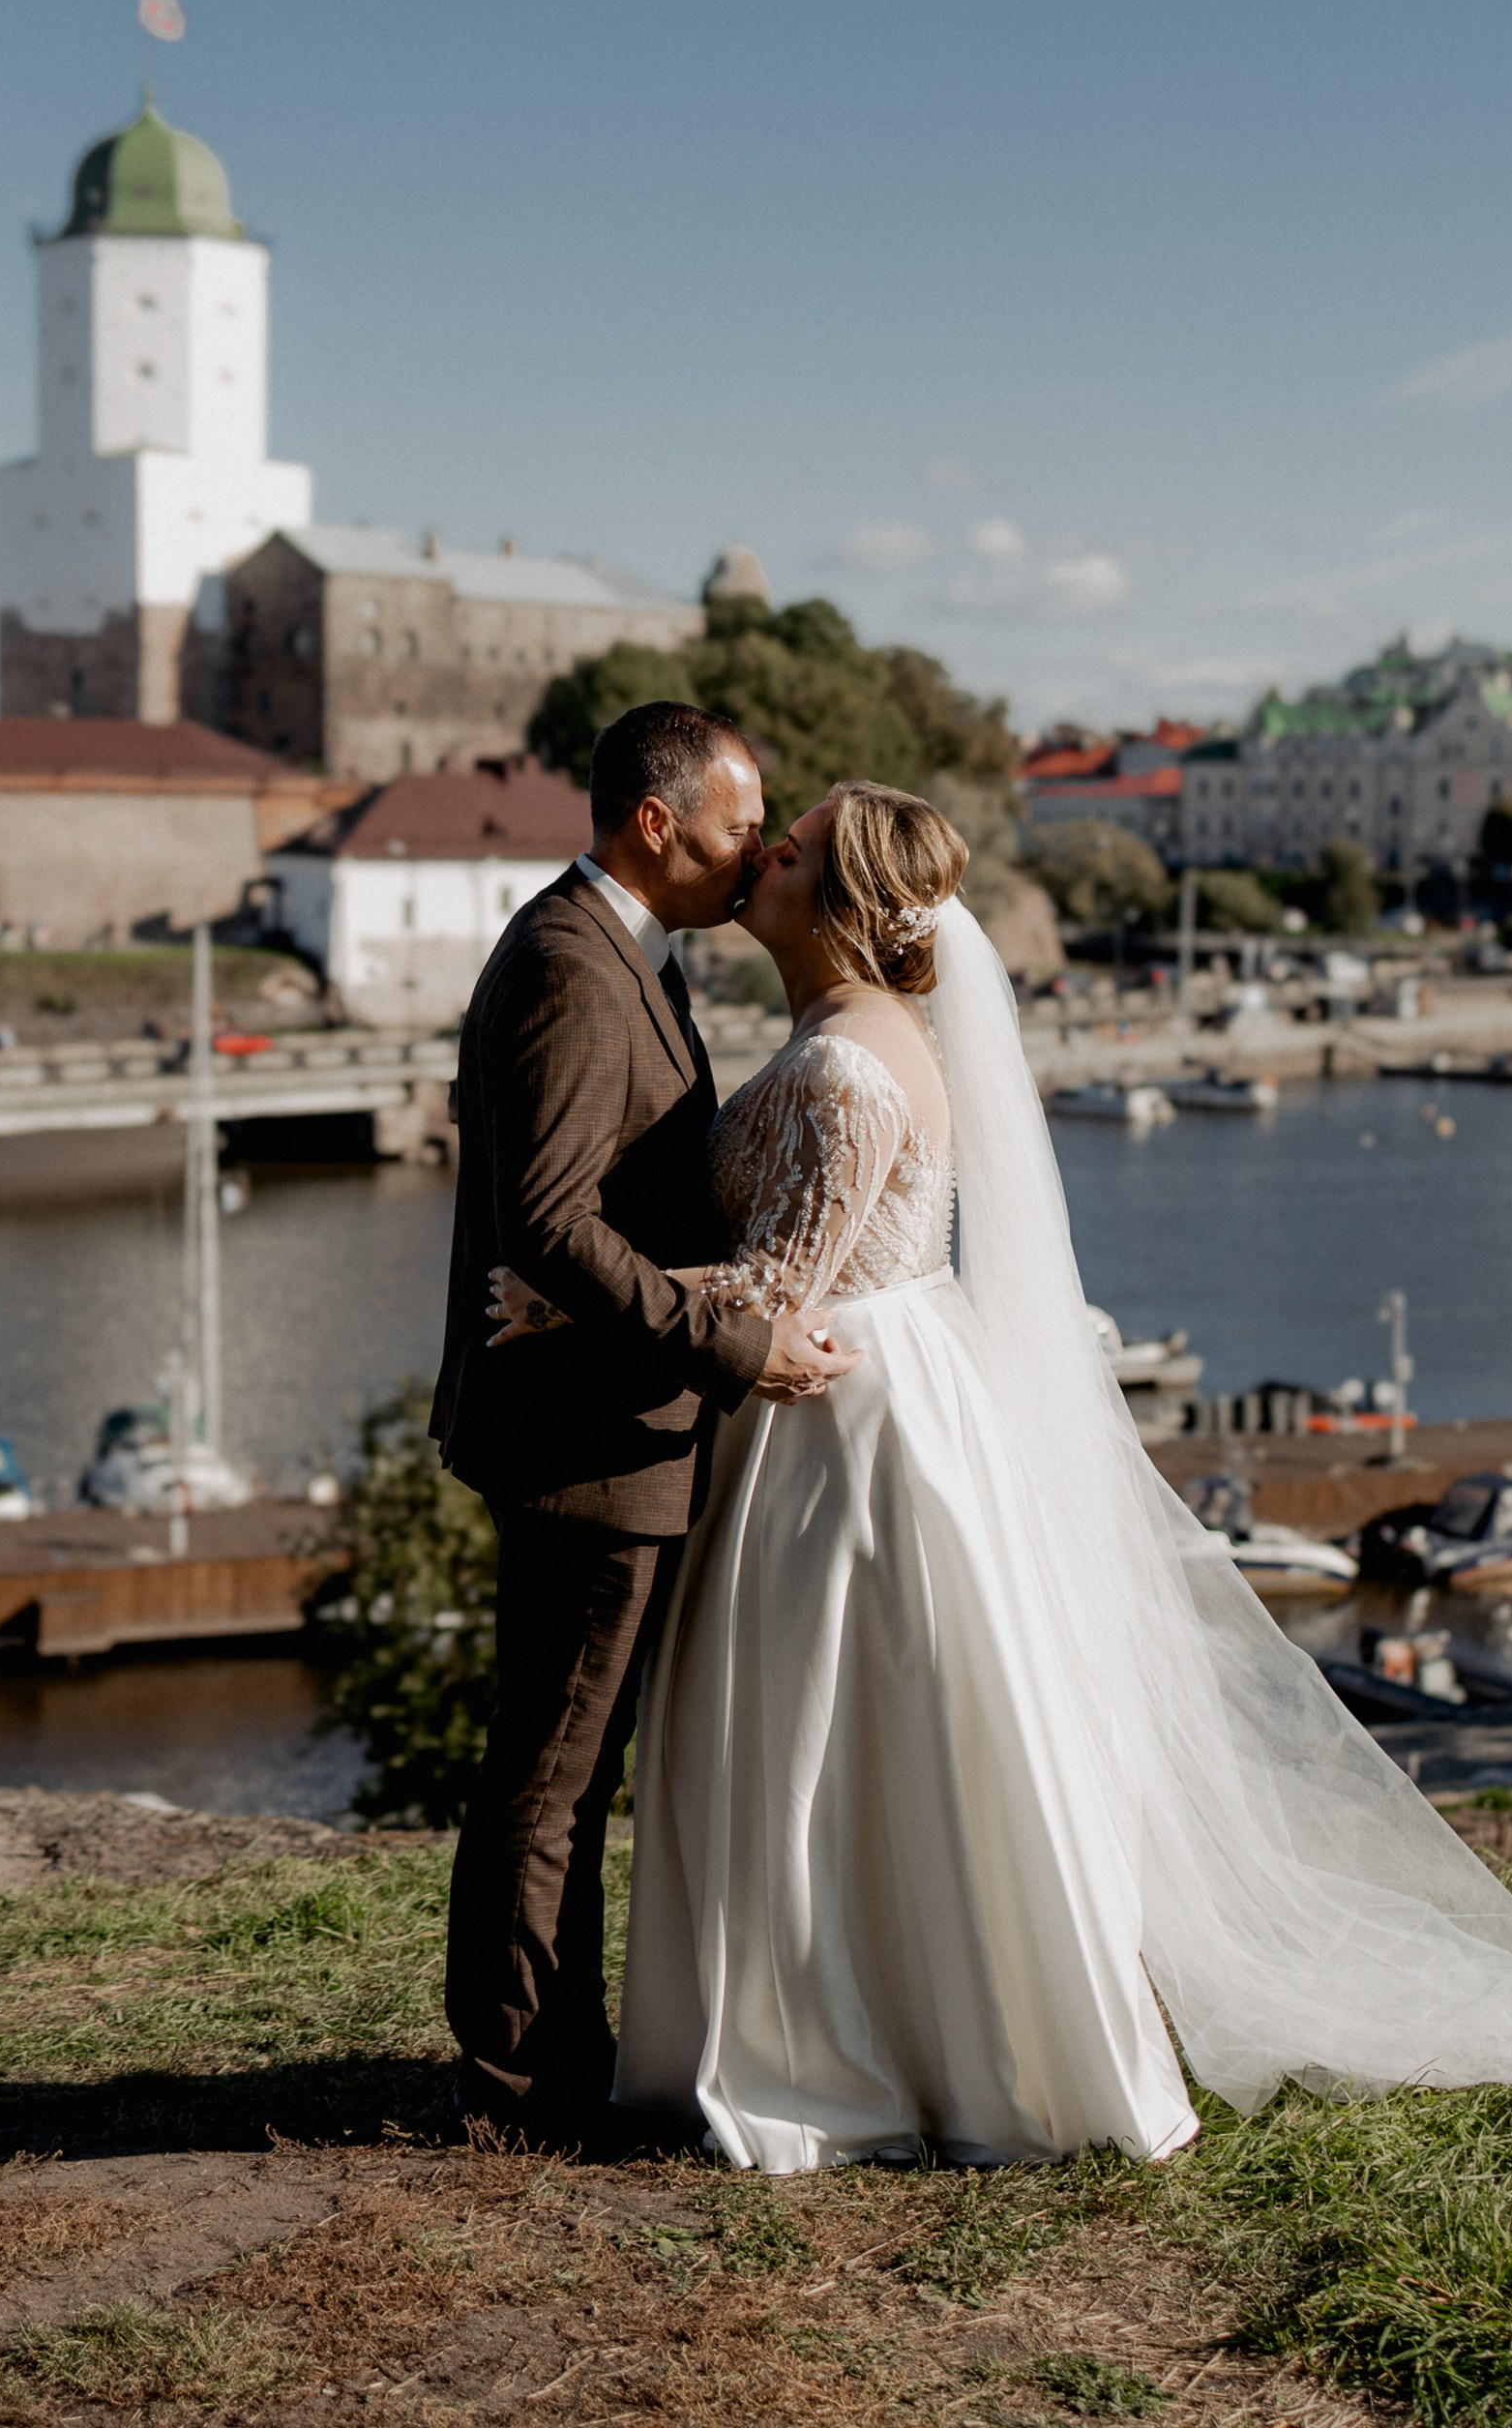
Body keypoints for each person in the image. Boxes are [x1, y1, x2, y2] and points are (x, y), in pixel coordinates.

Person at [495, 779, 1512, 2171]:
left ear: (841, 901)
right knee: (857, 1732)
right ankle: (861, 2023)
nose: (764, 857)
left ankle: (840, 2044)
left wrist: (560, 1301)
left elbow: (782, 1288)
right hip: (850, 1400)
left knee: (828, 1722)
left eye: (795, 846)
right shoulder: (840, 1031)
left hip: (848, 1425)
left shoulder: (847, 1064)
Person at [433, 701, 856, 2145]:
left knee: (569, 1766)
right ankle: (517, 2092)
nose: (759, 850)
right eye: (744, 824)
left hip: (608, 1425)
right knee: (550, 1777)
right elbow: (548, 1224)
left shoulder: (623, 951)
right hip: (584, 1442)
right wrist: (732, 1337)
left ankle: (559, 2057)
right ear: (658, 826)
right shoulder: (570, 963)